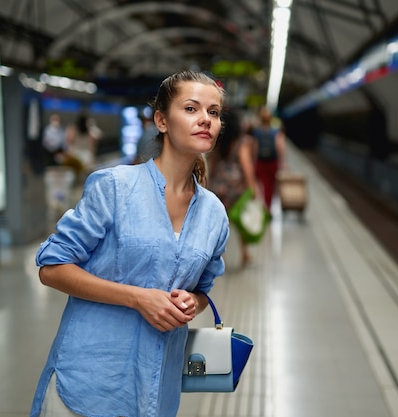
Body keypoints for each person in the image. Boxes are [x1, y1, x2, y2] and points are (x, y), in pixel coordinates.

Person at [29, 70, 230, 417]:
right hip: (90, 385)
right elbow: (52, 268)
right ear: (162, 121)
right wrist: (138, 298)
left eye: (213, 112)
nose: (205, 120)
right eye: (192, 108)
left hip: (156, 391)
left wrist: (191, 302)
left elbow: (202, 290)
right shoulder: (115, 187)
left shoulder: (214, 214)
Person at [209, 107, 257, 267]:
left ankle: (215, 253)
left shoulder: (217, 141)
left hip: (219, 186)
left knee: (220, 222)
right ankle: (245, 253)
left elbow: (212, 164)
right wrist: (252, 187)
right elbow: (246, 167)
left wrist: (208, 184)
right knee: (240, 220)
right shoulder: (241, 143)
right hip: (235, 188)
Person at [252, 106, 286, 211]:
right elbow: (280, 147)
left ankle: (261, 207)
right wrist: (282, 162)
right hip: (272, 162)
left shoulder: (257, 132)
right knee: (270, 187)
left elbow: (255, 149)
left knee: (261, 185)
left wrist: (253, 162)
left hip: (260, 162)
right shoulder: (275, 132)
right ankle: (268, 207)